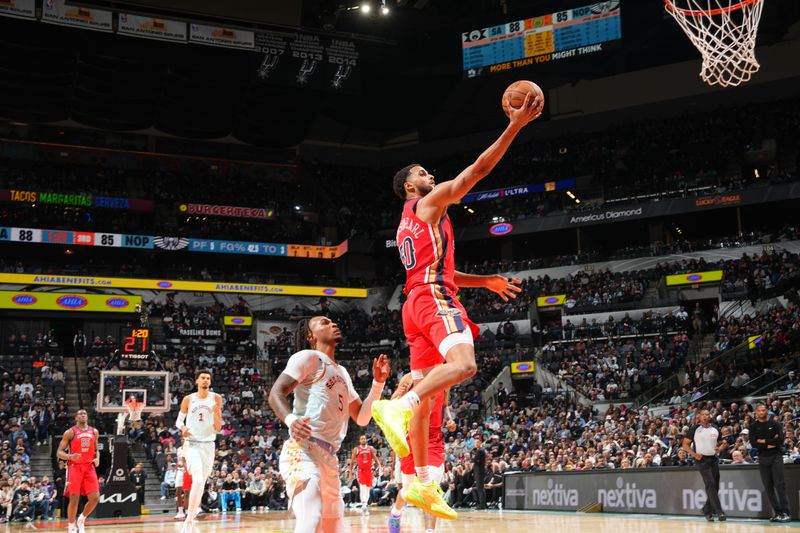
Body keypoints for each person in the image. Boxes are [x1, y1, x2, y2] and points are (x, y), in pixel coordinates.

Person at [371, 90, 543, 520]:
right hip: (432, 299)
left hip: (415, 302)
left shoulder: (411, 221)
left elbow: (442, 271)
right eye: (425, 173)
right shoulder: (426, 203)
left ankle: (423, 482)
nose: (433, 176)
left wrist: (484, 281)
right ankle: (397, 405)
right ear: (411, 186)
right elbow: (477, 171)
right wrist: (515, 125)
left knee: (432, 399)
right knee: (464, 365)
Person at [268, 316, 390, 533]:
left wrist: (378, 384)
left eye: (333, 321)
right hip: (304, 449)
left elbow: (362, 417)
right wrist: (291, 419)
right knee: (310, 519)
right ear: (310, 336)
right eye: (324, 323)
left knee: (334, 527)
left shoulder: (342, 372)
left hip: (330, 457)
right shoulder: (308, 357)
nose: (333, 324)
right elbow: (276, 393)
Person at [388, 373, 455, 533]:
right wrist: (398, 395)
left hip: (433, 439)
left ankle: (430, 530)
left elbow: (445, 405)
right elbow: (392, 405)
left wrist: (449, 419)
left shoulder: (445, 376)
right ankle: (395, 513)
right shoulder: (409, 378)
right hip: (411, 436)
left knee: (430, 489)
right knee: (408, 490)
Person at [175, 369, 223, 530]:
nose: (205, 380)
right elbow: (178, 421)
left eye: (208, 378)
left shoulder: (216, 398)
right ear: (196, 381)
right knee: (198, 479)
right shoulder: (189, 399)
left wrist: (217, 414)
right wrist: (182, 428)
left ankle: (193, 511)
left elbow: (218, 427)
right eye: (202, 378)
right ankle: (189, 515)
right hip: (192, 443)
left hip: (209, 444)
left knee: (202, 481)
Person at [56, 409, 100, 533]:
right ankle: (71, 525)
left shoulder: (94, 431)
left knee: (95, 498)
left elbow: (97, 449)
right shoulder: (70, 432)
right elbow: (59, 452)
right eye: (80, 414)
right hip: (74, 467)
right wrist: (70, 456)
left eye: (85, 413)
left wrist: (97, 458)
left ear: (87, 416)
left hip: (89, 467)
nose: (82, 415)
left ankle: (81, 519)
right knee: (74, 497)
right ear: (76, 418)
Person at [682, 409, 727, 521]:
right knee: (710, 483)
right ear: (699, 417)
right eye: (703, 415)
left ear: (710, 416)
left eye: (707, 414)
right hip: (702, 460)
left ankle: (706, 509)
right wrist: (694, 454)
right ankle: (719, 511)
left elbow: (722, 443)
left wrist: (720, 448)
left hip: (714, 459)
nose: (706, 416)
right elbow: (685, 444)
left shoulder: (715, 428)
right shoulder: (695, 429)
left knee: (715, 486)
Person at [749, 403, 791, 522]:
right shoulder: (753, 427)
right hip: (762, 457)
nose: (762, 412)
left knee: (780, 485)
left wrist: (763, 441)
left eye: (763, 410)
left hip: (776, 456)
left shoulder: (775, 424)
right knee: (768, 486)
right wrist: (770, 442)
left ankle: (786, 513)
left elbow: (780, 440)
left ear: (766, 411)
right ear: (756, 413)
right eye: (759, 411)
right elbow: (753, 444)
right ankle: (778, 513)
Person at [347, 435, 381, 514]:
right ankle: (364, 504)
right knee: (363, 487)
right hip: (361, 471)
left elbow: (375, 458)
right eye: (361, 439)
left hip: (369, 470)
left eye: (364, 439)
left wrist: (379, 466)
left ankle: (365, 503)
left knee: (368, 488)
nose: (363, 440)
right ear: (359, 440)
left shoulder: (370, 448)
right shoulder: (356, 449)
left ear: (366, 440)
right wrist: (350, 473)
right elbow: (352, 462)